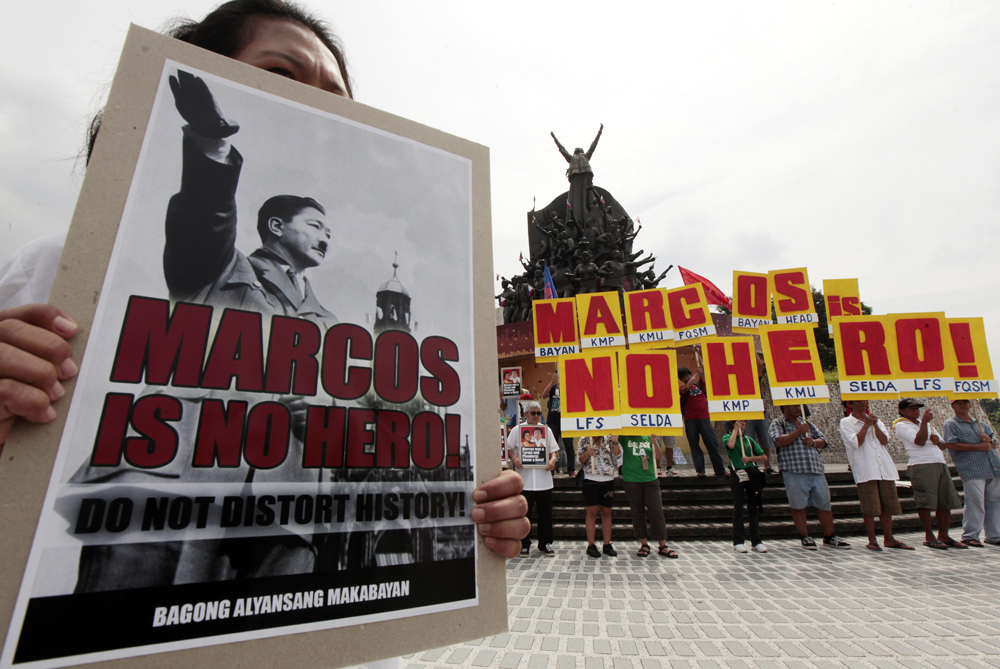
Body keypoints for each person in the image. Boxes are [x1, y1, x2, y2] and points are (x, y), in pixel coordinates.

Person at [0, 0, 527, 563]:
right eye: (281, 75)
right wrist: (210, 144)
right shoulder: (86, 265)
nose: (311, 100)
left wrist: (476, 513)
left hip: (289, 521)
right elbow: (206, 221)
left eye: (336, 97)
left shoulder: (333, 324)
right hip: (168, 498)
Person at [769, 405, 851, 550]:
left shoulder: (806, 422)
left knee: (825, 504)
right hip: (794, 470)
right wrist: (798, 432)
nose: (798, 409)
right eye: (794, 406)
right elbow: (778, 441)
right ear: (785, 407)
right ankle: (805, 536)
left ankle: (829, 535)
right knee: (798, 505)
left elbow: (824, 441)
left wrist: (814, 442)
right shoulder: (778, 423)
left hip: (815, 469)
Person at [840, 400, 912, 551]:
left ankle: (889, 537)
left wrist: (875, 424)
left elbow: (884, 441)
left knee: (887, 505)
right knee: (870, 506)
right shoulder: (846, 422)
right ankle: (872, 539)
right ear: (850, 405)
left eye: (864, 402)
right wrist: (866, 425)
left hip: (883, 467)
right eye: (858, 402)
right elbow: (856, 442)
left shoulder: (876, 420)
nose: (862, 404)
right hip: (866, 468)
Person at [893, 399, 966, 549]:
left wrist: (936, 440)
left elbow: (943, 445)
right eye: (911, 409)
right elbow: (919, 441)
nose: (916, 411)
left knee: (945, 500)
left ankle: (944, 534)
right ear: (902, 411)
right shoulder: (901, 424)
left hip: (939, 462)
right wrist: (925, 423)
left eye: (917, 408)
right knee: (925, 501)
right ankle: (929, 535)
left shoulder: (922, 422)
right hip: (921, 464)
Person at [943, 399, 1000, 547]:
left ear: (970, 405)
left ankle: (994, 535)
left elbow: (993, 444)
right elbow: (951, 443)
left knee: (995, 502)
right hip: (972, 468)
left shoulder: (981, 424)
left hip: (993, 466)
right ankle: (970, 535)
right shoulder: (951, 424)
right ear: (953, 406)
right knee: (975, 502)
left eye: (965, 402)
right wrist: (978, 447)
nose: (962, 405)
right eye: (958, 402)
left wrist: (989, 441)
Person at [506, 401, 560, 556]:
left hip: (544, 480)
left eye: (539, 413)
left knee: (545, 515)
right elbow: (508, 448)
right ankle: (524, 544)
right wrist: (514, 458)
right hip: (525, 480)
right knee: (524, 514)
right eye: (533, 413)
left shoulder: (546, 430)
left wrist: (553, 460)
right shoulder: (517, 430)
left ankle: (545, 544)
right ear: (526, 414)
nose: (537, 416)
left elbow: (554, 450)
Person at [619, 435, 677, 558]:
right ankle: (644, 544)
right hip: (631, 479)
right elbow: (616, 450)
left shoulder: (649, 435)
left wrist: (654, 442)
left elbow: (657, 456)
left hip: (650, 477)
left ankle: (663, 545)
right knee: (637, 511)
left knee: (656, 511)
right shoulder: (625, 436)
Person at [723, 421, 768, 553]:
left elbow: (764, 456)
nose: (742, 423)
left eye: (744, 421)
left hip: (751, 472)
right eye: (738, 421)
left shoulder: (748, 440)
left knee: (753, 507)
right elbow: (730, 445)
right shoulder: (728, 437)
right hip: (737, 473)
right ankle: (738, 540)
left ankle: (756, 540)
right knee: (738, 506)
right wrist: (735, 430)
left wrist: (749, 459)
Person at [677, 364, 726, 477]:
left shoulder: (700, 385)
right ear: (681, 379)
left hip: (704, 419)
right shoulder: (682, 388)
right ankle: (700, 470)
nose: (687, 378)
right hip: (690, 420)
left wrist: (697, 353)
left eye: (688, 375)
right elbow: (686, 388)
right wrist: (695, 375)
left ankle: (720, 470)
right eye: (684, 377)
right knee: (695, 445)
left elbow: (703, 368)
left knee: (712, 444)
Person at [578, 435, 622, 557]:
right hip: (590, 478)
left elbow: (617, 455)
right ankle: (591, 545)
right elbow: (579, 460)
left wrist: (615, 442)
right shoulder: (583, 439)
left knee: (606, 511)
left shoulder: (609, 438)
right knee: (592, 511)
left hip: (607, 478)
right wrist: (588, 453)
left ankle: (607, 544)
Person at [542, 371, 576, 475]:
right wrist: (552, 382)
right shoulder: (552, 388)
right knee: (552, 444)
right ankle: (551, 469)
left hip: (566, 420)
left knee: (568, 445)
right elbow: (544, 395)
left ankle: (571, 469)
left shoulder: (569, 387)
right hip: (553, 420)